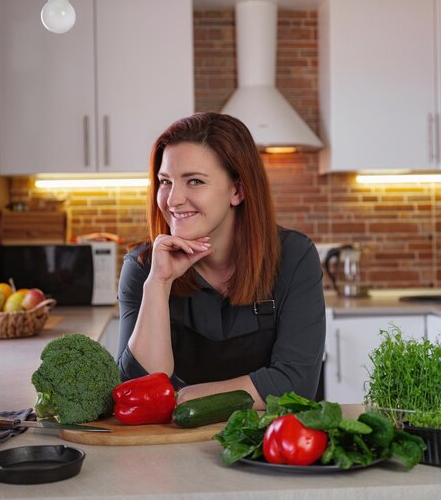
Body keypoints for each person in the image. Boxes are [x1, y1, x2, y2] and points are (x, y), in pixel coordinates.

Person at [116, 112, 325, 409]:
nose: (173, 199)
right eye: (165, 182)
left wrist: (182, 398)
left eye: (195, 181)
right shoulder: (144, 267)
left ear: (237, 191)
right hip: (173, 447)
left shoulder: (294, 256)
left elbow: (297, 384)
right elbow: (136, 394)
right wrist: (159, 284)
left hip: (273, 444)